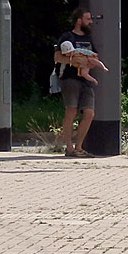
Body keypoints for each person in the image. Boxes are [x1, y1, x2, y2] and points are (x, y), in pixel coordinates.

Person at [54, 8, 98, 157]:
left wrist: (92, 62)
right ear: (79, 20)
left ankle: (79, 146)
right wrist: (74, 60)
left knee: (89, 113)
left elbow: (95, 56)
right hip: (70, 78)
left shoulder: (88, 39)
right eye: (88, 19)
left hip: (86, 79)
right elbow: (57, 57)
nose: (90, 22)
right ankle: (69, 147)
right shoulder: (67, 37)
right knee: (71, 110)